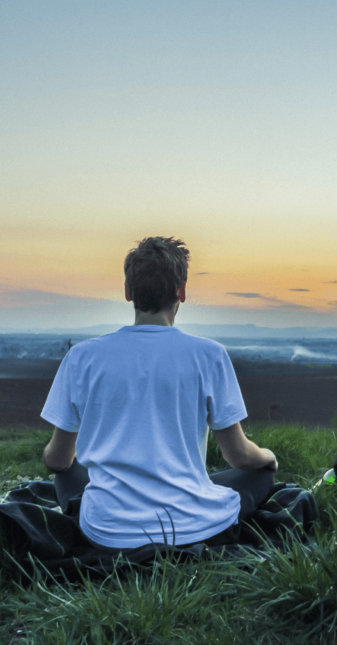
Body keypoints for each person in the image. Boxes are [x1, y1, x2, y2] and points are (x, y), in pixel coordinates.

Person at [40, 236, 277, 551]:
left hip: (107, 531)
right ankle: (196, 499)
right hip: (192, 526)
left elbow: (56, 460)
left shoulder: (82, 357)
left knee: (67, 471)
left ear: (128, 292)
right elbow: (240, 456)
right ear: (181, 292)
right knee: (260, 475)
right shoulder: (209, 355)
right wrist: (269, 458)